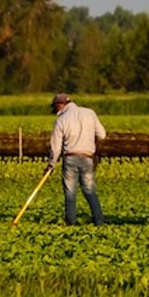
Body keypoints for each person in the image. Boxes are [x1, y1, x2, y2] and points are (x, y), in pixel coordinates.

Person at [48, 93, 107, 225]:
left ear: (60, 105)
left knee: (70, 194)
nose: (56, 112)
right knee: (90, 190)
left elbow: (55, 148)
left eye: (55, 108)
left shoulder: (61, 120)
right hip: (87, 158)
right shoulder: (90, 113)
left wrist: (51, 165)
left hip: (70, 159)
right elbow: (102, 135)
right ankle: (99, 221)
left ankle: (71, 223)